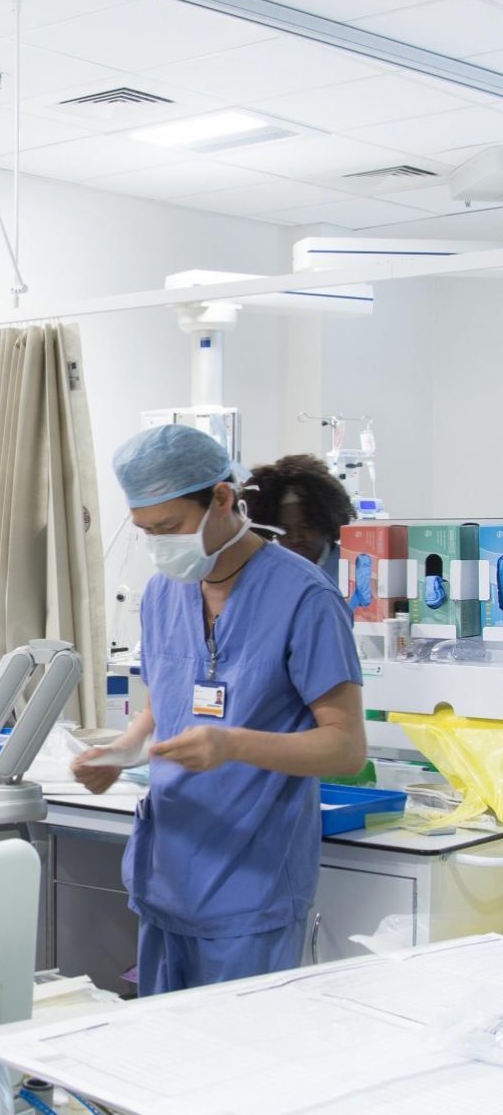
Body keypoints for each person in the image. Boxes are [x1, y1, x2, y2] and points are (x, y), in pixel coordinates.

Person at [75, 424, 365, 995]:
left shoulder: (305, 599)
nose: (160, 545)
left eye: (170, 528)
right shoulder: (165, 593)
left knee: (238, 1068)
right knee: (166, 1066)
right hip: (169, 873)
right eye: (146, 532)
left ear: (223, 500)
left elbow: (346, 747)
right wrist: (124, 750)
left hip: (250, 884)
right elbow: (170, 698)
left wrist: (232, 744)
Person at [242, 453, 356, 585]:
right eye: (285, 529)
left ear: (327, 523)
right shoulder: (270, 574)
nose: (295, 538)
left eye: (305, 527)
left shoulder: (352, 573)